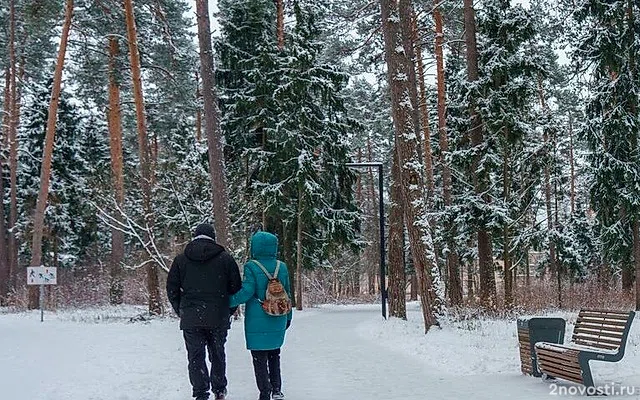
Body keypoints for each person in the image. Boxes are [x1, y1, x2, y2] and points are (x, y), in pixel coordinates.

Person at [167, 224, 242, 400]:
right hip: (218, 315)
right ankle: (219, 389)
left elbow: (171, 288)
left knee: (195, 356)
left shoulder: (181, 260)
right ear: (213, 237)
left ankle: (201, 392)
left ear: (194, 237)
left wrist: (181, 309)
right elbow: (236, 287)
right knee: (217, 353)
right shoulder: (225, 259)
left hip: (191, 317)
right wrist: (228, 310)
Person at [230, 231, 293, 400]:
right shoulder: (282, 266)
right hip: (279, 315)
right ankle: (277, 389)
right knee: (274, 354)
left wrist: (228, 301)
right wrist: (288, 316)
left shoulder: (252, 266)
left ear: (254, 247)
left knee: (259, 357)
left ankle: (264, 392)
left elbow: (247, 291)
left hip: (258, 319)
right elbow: (288, 292)